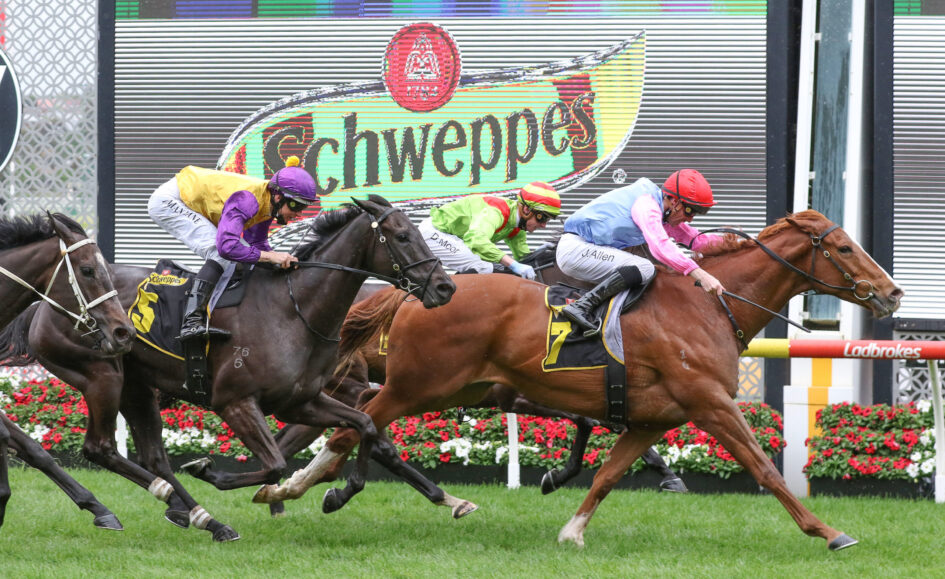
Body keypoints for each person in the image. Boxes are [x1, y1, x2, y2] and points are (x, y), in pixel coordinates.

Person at [148, 155, 317, 343]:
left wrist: (280, 262)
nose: (299, 213)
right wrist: (271, 257)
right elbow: (227, 248)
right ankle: (191, 322)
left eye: (304, 207)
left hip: (190, 200)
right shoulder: (248, 200)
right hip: (169, 201)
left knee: (244, 254)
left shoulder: (267, 205)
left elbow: (256, 245)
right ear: (279, 197)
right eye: (296, 205)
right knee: (219, 253)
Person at [556, 169, 726, 336]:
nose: (690, 218)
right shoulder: (646, 206)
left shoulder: (664, 214)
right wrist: (701, 275)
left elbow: (696, 239)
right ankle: (581, 306)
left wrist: (739, 242)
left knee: (643, 273)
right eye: (689, 210)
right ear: (674, 201)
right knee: (645, 268)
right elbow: (660, 246)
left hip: (588, 250)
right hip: (575, 250)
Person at [419, 181, 561, 279]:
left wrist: (542, 252)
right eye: (541, 218)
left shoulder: (517, 228)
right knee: (483, 267)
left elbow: (522, 259)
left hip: (453, 238)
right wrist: (513, 264)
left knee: (496, 266)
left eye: (547, 220)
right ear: (526, 209)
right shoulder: (496, 212)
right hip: (435, 233)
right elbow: (476, 240)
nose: (544, 225)